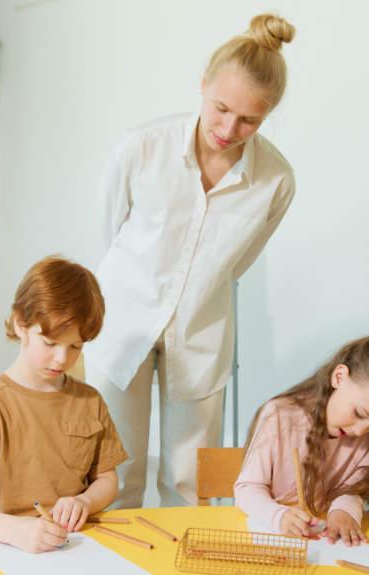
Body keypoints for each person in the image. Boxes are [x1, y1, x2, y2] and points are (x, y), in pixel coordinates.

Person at [84, 13, 296, 507]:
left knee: (189, 486)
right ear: (203, 83)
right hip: (122, 324)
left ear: (268, 114)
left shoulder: (276, 180)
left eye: (250, 120)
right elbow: (111, 232)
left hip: (202, 336)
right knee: (114, 477)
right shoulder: (142, 148)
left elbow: (238, 263)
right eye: (221, 108)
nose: (229, 128)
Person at [0, 256, 127, 553]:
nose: (62, 359)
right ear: (21, 324)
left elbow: (107, 480)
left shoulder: (90, 401)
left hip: (78, 545)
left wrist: (85, 501)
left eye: (75, 346)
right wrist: (13, 530)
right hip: (12, 548)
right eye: (50, 343)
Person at [235, 336, 369, 547]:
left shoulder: (364, 438)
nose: (361, 430)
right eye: (360, 413)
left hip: (324, 543)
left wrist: (343, 511)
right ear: (339, 377)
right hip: (271, 537)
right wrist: (279, 517)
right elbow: (247, 488)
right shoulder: (280, 415)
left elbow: (352, 490)